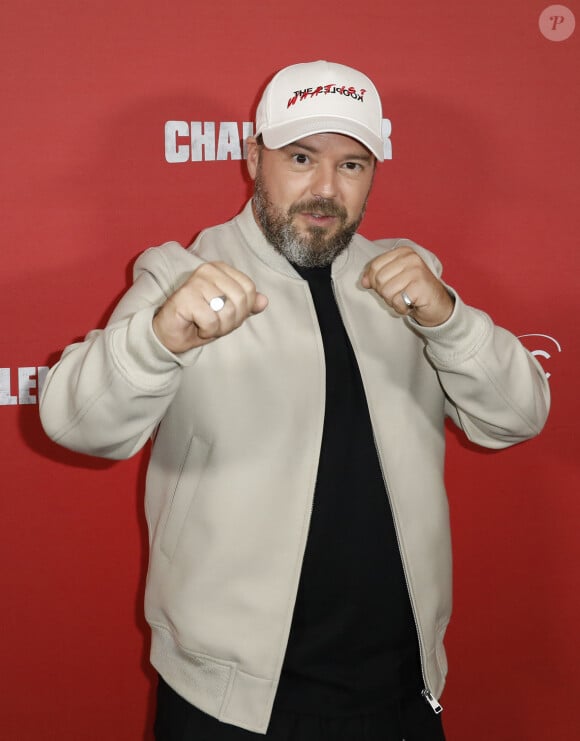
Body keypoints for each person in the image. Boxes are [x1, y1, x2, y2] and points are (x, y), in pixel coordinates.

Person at [39, 60, 550, 740]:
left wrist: (448, 320)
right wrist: (160, 338)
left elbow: (516, 417)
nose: (324, 189)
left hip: (400, 689)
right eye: (301, 157)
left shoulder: (407, 275)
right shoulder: (180, 274)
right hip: (229, 704)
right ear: (254, 157)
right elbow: (78, 422)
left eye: (352, 165)